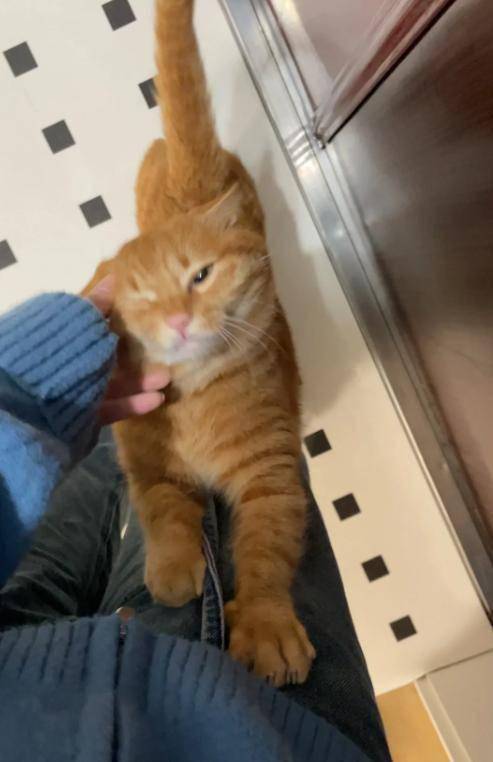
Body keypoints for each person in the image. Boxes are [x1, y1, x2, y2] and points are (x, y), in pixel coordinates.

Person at [0, 284, 390, 761]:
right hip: (247, 727)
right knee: (250, 471)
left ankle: (113, 427)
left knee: (115, 452)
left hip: (34, 672)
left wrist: (16, 397)